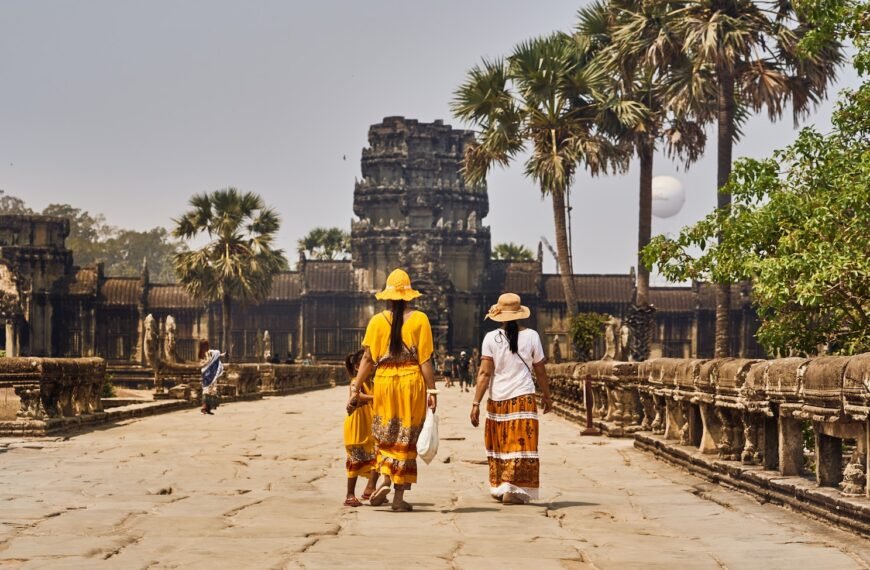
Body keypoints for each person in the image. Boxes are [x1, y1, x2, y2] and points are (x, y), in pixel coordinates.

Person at [347, 268, 437, 512]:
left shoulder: (377, 321)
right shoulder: (420, 319)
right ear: (409, 296)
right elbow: (425, 361)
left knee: (385, 434)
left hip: (384, 383)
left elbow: (367, 359)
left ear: (387, 295)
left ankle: (386, 477)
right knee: (406, 437)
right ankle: (398, 498)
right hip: (411, 383)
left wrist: (356, 386)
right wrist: (433, 392)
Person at [470, 293, 552, 505]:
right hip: (523, 397)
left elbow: (484, 374)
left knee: (501, 443)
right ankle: (513, 488)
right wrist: (547, 396)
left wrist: (476, 403)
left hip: (498, 398)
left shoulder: (490, 338)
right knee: (522, 445)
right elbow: (540, 371)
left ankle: (501, 485)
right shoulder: (532, 336)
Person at [343, 349, 379, 507]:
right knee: (355, 460)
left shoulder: (371, 382)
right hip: (357, 427)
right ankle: (350, 495)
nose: (373, 367)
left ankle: (370, 489)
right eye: (369, 364)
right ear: (358, 367)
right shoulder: (356, 382)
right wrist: (376, 397)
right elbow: (356, 396)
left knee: (377, 459)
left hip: (369, 426)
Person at [199, 339, 224, 415]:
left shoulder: (209, 352)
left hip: (211, 374)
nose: (206, 347)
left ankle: (208, 408)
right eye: (205, 345)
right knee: (206, 391)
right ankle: (204, 407)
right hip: (206, 374)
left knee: (212, 392)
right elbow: (202, 364)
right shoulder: (202, 354)